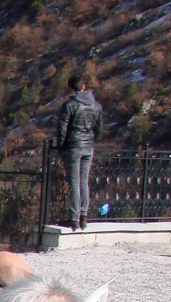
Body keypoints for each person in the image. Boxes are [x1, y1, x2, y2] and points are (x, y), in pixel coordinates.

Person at [55, 75, 104, 231]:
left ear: (71, 88)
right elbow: (99, 128)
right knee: (84, 182)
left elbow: (62, 128)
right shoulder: (96, 105)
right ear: (83, 86)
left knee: (74, 183)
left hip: (73, 146)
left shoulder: (69, 105)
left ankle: (73, 218)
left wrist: (61, 146)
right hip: (88, 146)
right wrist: (91, 139)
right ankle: (84, 216)